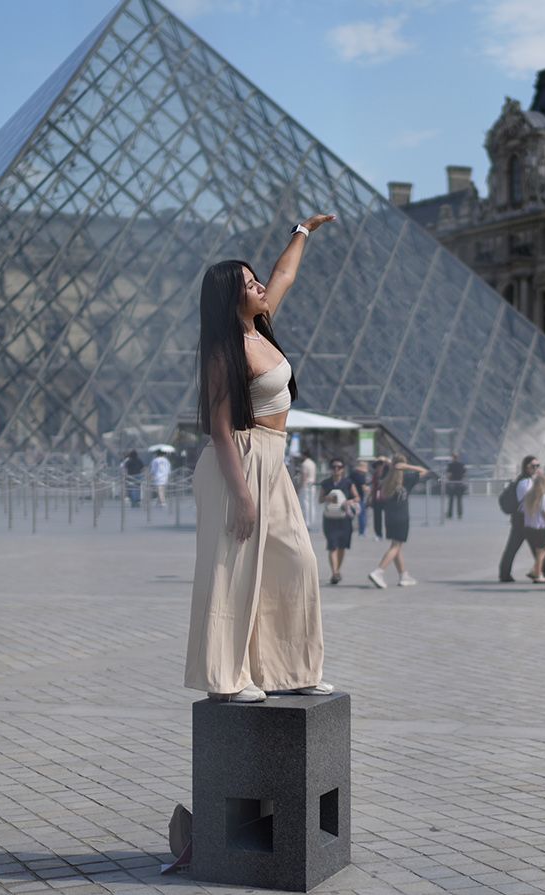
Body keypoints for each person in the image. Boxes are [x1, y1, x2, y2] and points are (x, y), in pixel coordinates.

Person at [185, 212, 338, 704]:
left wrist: (302, 233)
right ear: (232, 298)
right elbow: (222, 432)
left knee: (297, 561)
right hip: (241, 461)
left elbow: (285, 274)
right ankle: (226, 679)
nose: (260, 288)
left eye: (256, 281)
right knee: (232, 569)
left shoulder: (261, 328)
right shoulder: (224, 353)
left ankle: (291, 668)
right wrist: (242, 497)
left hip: (273, 460)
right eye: (250, 285)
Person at [366, 454, 430, 589]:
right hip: (401, 517)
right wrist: (407, 467)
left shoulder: (386, 480)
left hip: (389, 517)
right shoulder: (407, 478)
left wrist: (393, 467)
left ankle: (403, 575)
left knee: (396, 546)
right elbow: (425, 471)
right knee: (395, 546)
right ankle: (379, 571)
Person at [497, 455, 541, 582]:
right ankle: (544, 571)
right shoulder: (525, 482)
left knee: (517, 548)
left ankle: (504, 574)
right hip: (524, 519)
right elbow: (528, 502)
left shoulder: (525, 480)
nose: (536, 468)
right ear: (526, 467)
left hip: (520, 519)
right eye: (533, 466)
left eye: (538, 466)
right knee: (538, 547)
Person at [318, 458, 359, 585]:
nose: (336, 469)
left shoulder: (348, 483)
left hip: (344, 519)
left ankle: (338, 570)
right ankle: (335, 572)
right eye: (334, 467)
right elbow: (320, 500)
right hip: (330, 519)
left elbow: (357, 497)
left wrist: (349, 501)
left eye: (339, 467)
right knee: (332, 545)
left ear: (343, 469)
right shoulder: (325, 483)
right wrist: (327, 498)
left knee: (341, 547)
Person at [514, 462, 545, 583]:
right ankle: (538, 574)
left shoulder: (529, 495)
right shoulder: (542, 497)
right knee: (541, 551)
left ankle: (534, 571)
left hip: (529, 527)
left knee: (543, 549)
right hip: (540, 527)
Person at [369, 458, 389, 540]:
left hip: (386, 497)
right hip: (376, 498)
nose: (379, 467)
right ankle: (378, 534)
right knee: (377, 517)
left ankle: (389, 533)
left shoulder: (388, 474)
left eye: (380, 465)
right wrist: (370, 497)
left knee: (388, 517)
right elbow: (373, 487)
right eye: (377, 466)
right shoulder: (375, 475)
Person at [445, 453, 467, 519]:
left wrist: (448, 481)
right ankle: (459, 514)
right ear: (458, 458)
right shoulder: (462, 465)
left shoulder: (450, 465)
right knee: (459, 501)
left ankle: (449, 514)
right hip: (459, 484)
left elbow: (449, 474)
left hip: (452, 484)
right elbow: (464, 474)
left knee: (451, 501)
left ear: (453, 458)